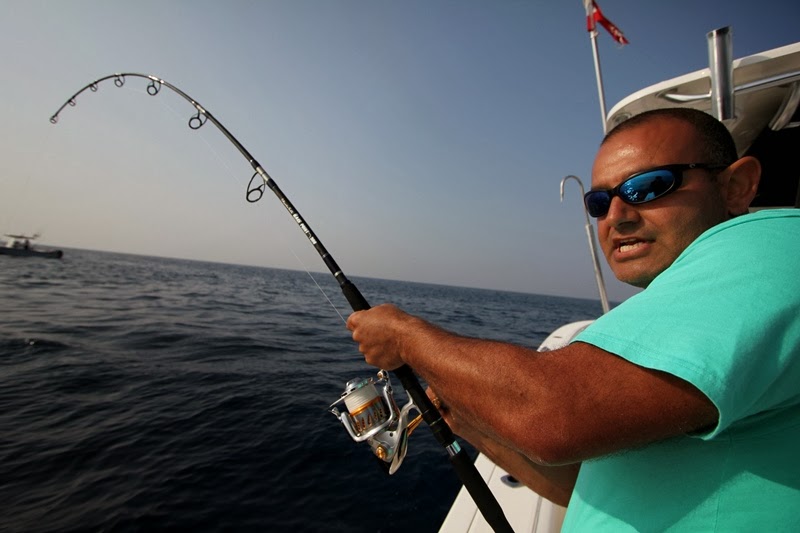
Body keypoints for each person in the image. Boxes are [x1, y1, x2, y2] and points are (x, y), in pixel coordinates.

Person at [347, 108, 800, 531]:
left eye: (648, 187)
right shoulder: (688, 309)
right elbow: (581, 485)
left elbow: (554, 418)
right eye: (600, 202)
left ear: (736, 186)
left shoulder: (776, 247)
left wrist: (404, 337)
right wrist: (464, 419)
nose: (617, 216)